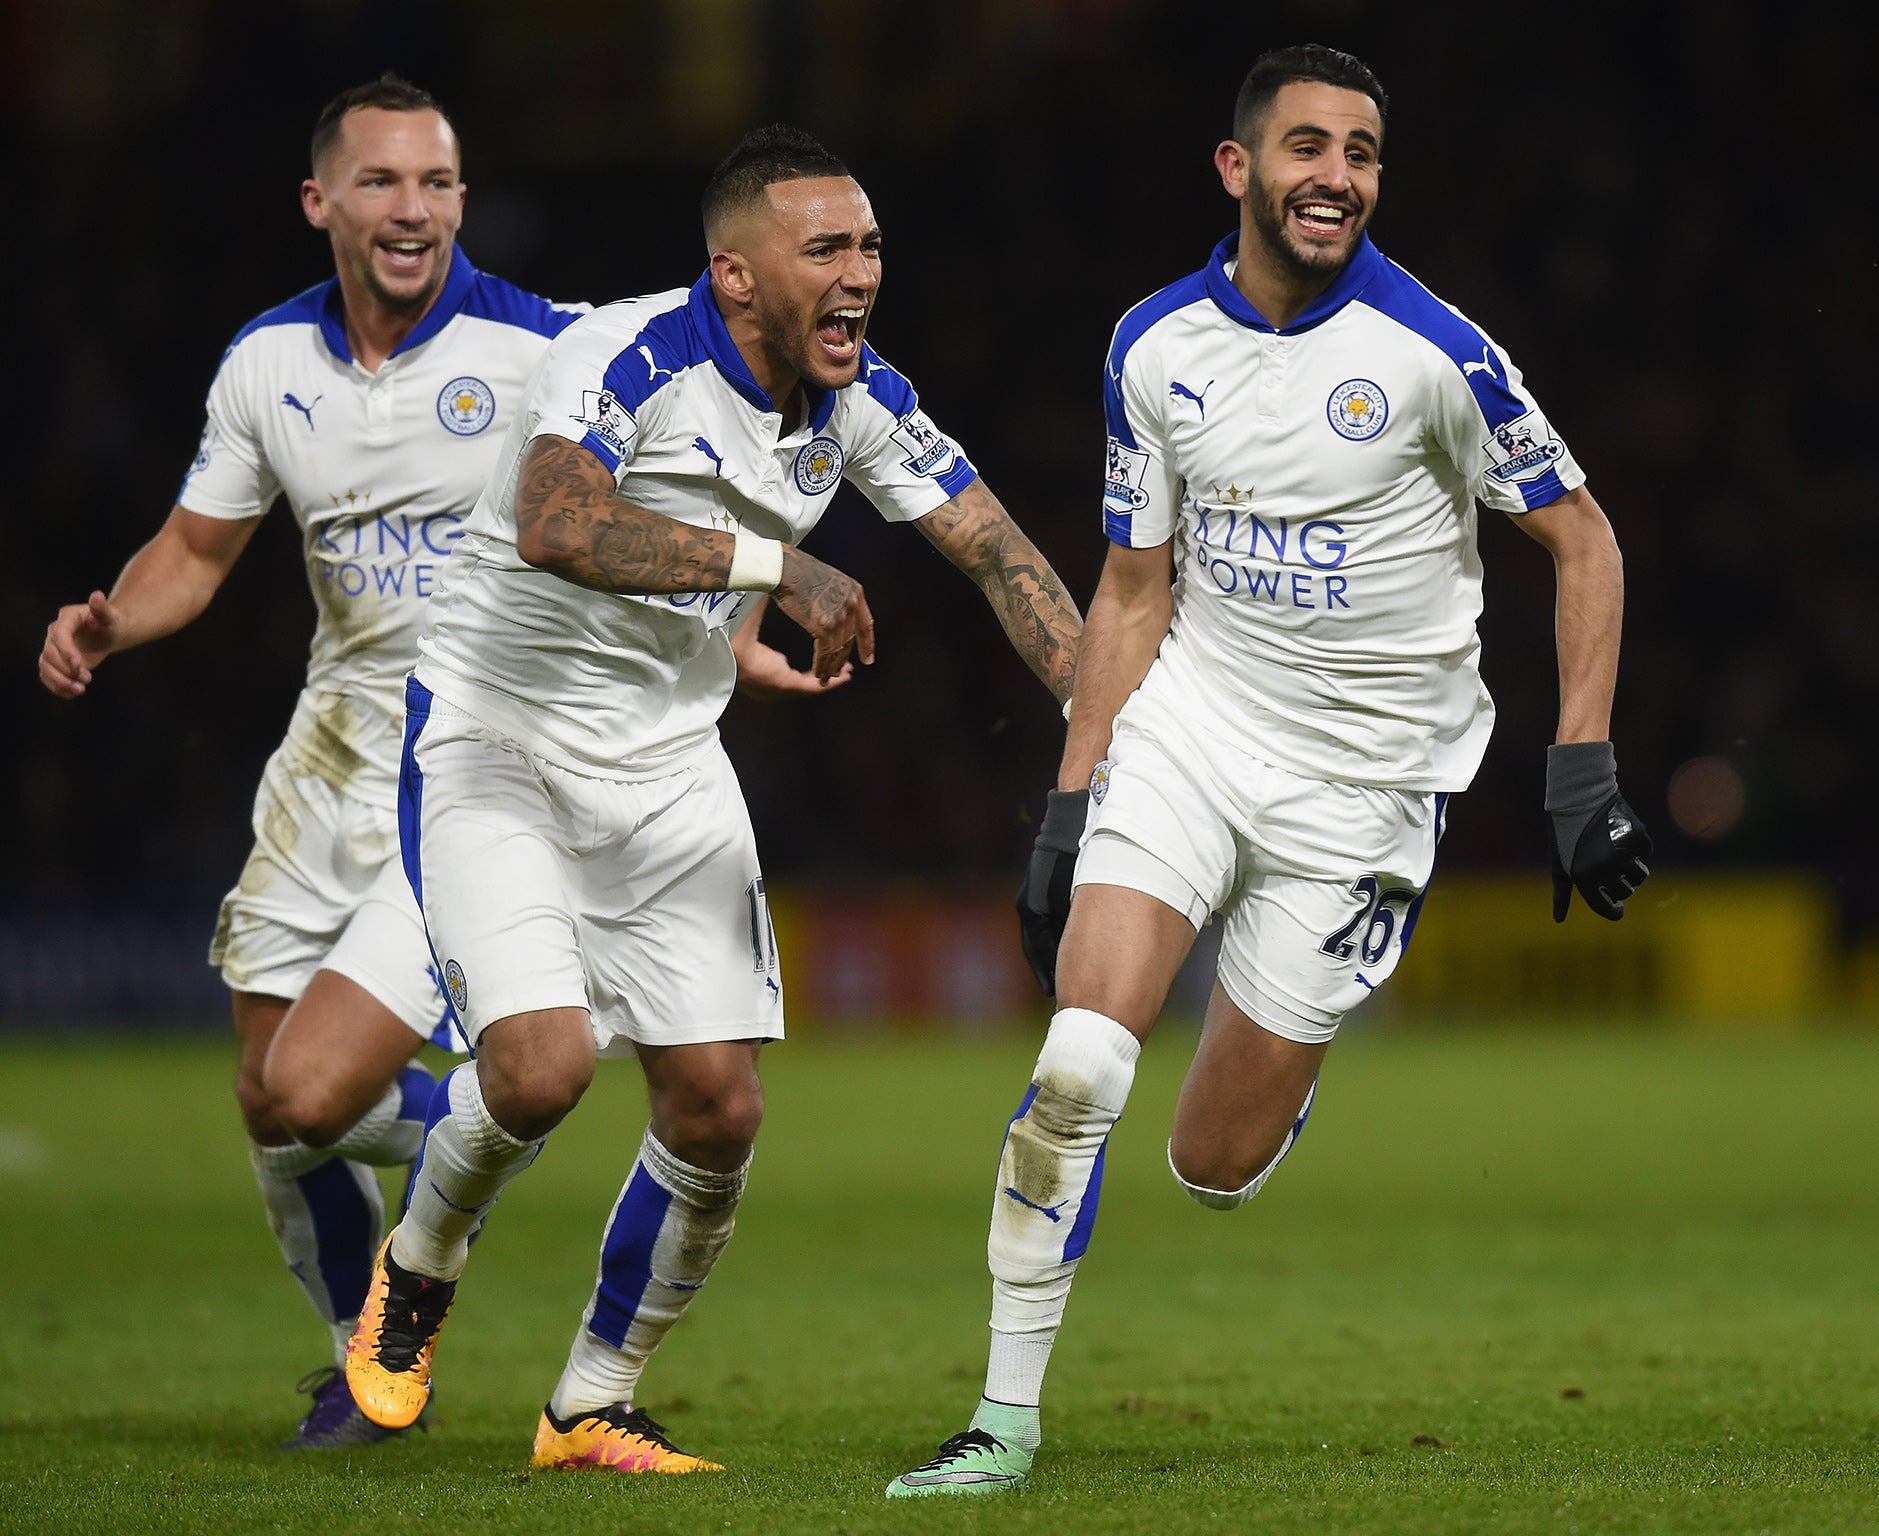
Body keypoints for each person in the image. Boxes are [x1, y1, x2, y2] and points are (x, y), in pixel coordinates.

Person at [885, 44, 1654, 1497]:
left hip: (1366, 786)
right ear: (1238, 168)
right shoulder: (1153, 346)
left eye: (1363, 154)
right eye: (1310, 147)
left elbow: (1586, 540)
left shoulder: (1437, 354)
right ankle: (1000, 1423)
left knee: (1209, 1163)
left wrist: (1580, 768)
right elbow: (1128, 589)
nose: (1340, 178)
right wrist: (1070, 800)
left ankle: (1273, 1080)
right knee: (1076, 1061)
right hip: (1196, 732)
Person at [341, 124, 1083, 1476]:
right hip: (498, 741)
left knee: (718, 1112)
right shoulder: (627, 362)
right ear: (735, 277)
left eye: (868, 245)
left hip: (671, 760)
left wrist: (1118, 732)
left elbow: (996, 553)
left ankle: (589, 1404)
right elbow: (554, 523)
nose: (860, 273)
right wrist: (774, 567)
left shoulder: (858, 397)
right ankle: (423, 1262)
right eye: (826, 250)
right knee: (540, 1068)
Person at [39, 76, 603, 1450]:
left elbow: (659, 492)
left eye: (437, 183)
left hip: (475, 754)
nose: (414, 209)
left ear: (461, 200)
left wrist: (744, 611)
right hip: (331, 750)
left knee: (316, 1087)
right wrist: (112, 620)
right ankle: (367, 1354)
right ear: (323, 203)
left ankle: (471, 1163)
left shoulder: (543, 350)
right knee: (268, 1093)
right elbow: (195, 550)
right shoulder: (265, 366)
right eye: (383, 182)